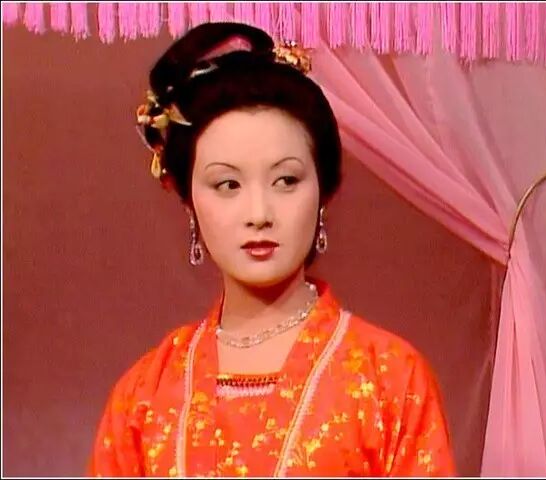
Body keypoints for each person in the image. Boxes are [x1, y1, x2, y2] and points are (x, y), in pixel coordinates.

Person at [88, 22, 456, 477]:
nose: (259, 213)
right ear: (188, 200)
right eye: (227, 185)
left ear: (323, 191)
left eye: (286, 180)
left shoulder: (390, 379)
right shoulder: (144, 395)